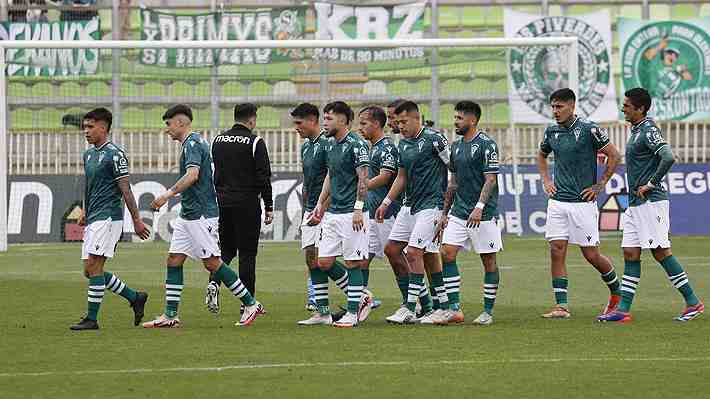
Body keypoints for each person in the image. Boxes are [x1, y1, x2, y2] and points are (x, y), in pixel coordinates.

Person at [143, 104, 263, 328]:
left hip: (201, 214)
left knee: (212, 263)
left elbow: (193, 175)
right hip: (188, 214)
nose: (167, 130)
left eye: (168, 125)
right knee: (174, 260)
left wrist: (166, 195)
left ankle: (250, 303)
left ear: (180, 122)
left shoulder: (194, 144)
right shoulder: (190, 144)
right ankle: (170, 315)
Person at [598, 87, 704, 323]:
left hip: (651, 202)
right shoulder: (635, 130)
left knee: (660, 251)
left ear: (640, 108)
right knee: (630, 252)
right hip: (636, 204)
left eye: (627, 105)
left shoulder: (648, 130)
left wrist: (651, 183)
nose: (623, 108)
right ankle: (623, 311)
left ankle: (693, 302)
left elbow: (668, 156)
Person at [537, 88, 622, 319]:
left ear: (572, 106)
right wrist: (546, 180)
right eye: (553, 106)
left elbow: (614, 155)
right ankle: (561, 306)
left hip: (583, 203)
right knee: (556, 250)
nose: (555, 111)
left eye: (559, 106)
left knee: (591, 255)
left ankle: (617, 293)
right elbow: (541, 155)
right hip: (557, 202)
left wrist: (600, 184)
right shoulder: (551, 131)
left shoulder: (589, 129)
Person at [69, 107, 150, 331]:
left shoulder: (115, 154)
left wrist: (136, 220)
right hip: (94, 216)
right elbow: (90, 186)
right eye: (84, 127)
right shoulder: (89, 154)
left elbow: (126, 189)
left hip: (108, 217)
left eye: (90, 127)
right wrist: (85, 210)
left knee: (95, 267)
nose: (85, 131)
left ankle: (92, 319)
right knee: (89, 270)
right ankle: (135, 297)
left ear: (103, 128)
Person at [376, 100, 453, 325]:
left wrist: (448, 207)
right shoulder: (403, 144)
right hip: (410, 206)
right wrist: (387, 201)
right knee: (392, 249)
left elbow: (454, 168)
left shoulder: (434, 139)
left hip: (432, 205)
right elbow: (401, 176)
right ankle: (440, 306)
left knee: (414, 253)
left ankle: (411, 307)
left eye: (403, 121)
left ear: (416, 118)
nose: (400, 126)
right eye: (397, 122)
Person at [306, 101, 371, 328]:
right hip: (333, 213)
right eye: (324, 118)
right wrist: (320, 204)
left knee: (353, 262)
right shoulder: (330, 145)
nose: (324, 122)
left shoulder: (357, 145)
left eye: (329, 118)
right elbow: (330, 177)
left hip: (352, 213)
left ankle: (352, 312)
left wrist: (358, 208)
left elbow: (363, 179)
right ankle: (362, 296)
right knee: (323, 262)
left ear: (343, 121)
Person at [437, 101, 502, 326]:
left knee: (488, 260)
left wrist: (479, 207)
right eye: (455, 118)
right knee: (446, 253)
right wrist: (445, 213)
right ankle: (454, 309)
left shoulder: (487, 145)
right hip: (459, 210)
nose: (455, 122)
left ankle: (487, 311)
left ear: (472, 120)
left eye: (459, 118)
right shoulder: (455, 147)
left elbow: (490, 179)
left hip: (483, 213)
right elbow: (453, 182)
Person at [205, 103, 273, 314]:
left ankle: (214, 283)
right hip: (247, 203)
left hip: (223, 203)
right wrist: (269, 205)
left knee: (225, 250)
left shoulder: (218, 140)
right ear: (252, 120)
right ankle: (248, 304)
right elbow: (263, 177)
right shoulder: (255, 142)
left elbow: (213, 171)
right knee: (247, 254)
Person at [291, 103, 350, 317]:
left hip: (327, 210)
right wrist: (307, 210)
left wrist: (322, 209)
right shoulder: (306, 146)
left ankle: (361, 296)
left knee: (322, 259)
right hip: (310, 209)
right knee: (310, 258)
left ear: (312, 121)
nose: (296, 127)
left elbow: (335, 179)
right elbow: (307, 182)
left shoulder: (328, 145)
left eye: (299, 123)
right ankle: (322, 312)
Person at [357, 105, 405, 311]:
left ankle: (414, 300)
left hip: (387, 213)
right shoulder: (373, 146)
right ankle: (360, 302)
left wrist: (362, 184)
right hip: (372, 212)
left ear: (377, 124)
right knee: (362, 258)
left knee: (396, 256)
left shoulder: (386, 147)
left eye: (364, 123)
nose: (360, 128)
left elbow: (386, 176)